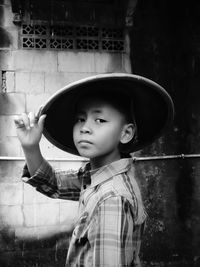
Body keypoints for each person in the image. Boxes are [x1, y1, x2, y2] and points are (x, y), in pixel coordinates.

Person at [14, 73, 174, 267]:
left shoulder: (112, 199)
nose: (85, 128)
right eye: (80, 119)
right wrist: (30, 147)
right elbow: (53, 184)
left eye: (100, 120)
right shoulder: (95, 178)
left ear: (126, 133)